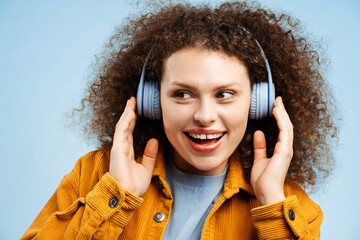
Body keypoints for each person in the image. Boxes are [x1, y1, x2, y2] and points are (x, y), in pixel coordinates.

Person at [21, 1, 338, 239]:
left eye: (225, 93)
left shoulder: (290, 206)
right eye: (183, 94)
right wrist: (116, 196)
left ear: (258, 103)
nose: (204, 116)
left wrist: (270, 202)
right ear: (153, 101)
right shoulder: (92, 176)